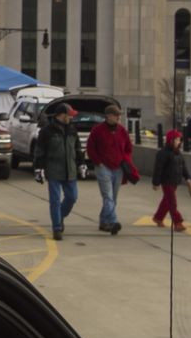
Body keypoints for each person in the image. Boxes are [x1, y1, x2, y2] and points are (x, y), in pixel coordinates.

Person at [34, 101, 87, 241]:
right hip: (54, 170)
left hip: (70, 171)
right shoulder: (46, 131)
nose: (71, 118)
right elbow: (40, 151)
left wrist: (82, 164)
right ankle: (57, 228)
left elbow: (78, 149)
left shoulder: (72, 130)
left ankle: (61, 215)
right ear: (62, 115)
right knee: (55, 201)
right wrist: (39, 168)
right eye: (69, 115)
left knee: (72, 197)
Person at [86, 103, 133, 234]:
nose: (118, 118)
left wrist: (125, 160)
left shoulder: (122, 131)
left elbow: (128, 148)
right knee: (108, 196)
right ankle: (113, 221)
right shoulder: (97, 130)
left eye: (119, 115)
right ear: (108, 116)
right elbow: (90, 148)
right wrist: (98, 162)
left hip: (118, 167)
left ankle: (103, 222)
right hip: (103, 167)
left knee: (113, 198)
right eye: (116, 115)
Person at [152, 130, 191, 231]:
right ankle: (177, 222)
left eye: (179, 139)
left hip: (175, 181)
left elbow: (183, 167)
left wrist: (188, 178)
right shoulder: (163, 153)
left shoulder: (178, 153)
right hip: (166, 181)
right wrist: (156, 183)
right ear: (170, 140)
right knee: (172, 202)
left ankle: (158, 217)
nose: (179, 142)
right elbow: (158, 169)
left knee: (167, 201)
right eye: (176, 139)